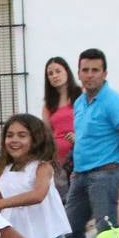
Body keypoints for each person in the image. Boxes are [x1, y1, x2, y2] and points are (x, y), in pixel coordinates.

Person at [64, 48, 119, 238]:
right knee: (70, 227)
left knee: (107, 230)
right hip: (80, 175)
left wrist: (116, 154)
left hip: (105, 174)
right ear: (78, 73)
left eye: (95, 70)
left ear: (105, 73)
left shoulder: (112, 101)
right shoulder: (79, 102)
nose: (90, 74)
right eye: (85, 70)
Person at [41, 56, 82, 185]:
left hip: (79, 153)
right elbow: (46, 133)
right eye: (50, 74)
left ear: (67, 72)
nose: (54, 76)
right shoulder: (48, 105)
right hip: (58, 160)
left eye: (58, 71)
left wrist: (78, 137)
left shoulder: (81, 95)